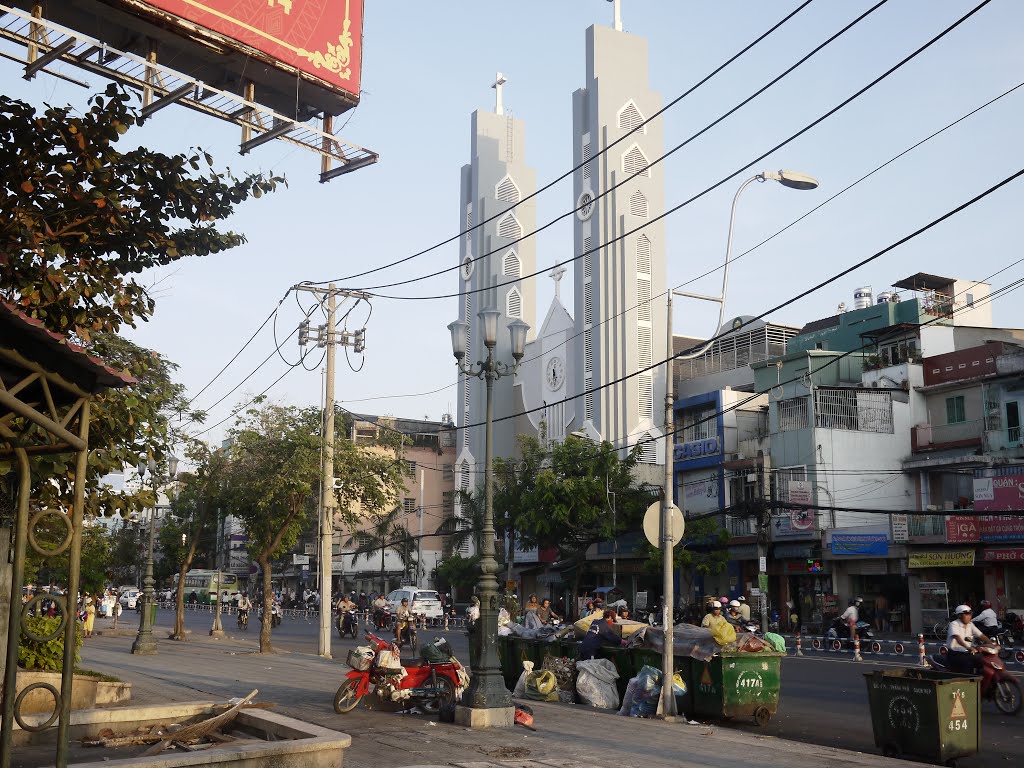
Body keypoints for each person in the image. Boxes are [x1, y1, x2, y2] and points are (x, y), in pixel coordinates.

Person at [947, 604, 989, 675]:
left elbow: (981, 635)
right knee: (968, 663)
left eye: (970, 614)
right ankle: (966, 682)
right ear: (959, 615)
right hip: (955, 653)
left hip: (967, 652)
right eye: (966, 614)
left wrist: (992, 644)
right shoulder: (954, 624)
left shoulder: (970, 624)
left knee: (983, 660)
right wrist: (968, 647)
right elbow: (958, 638)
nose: (969, 616)